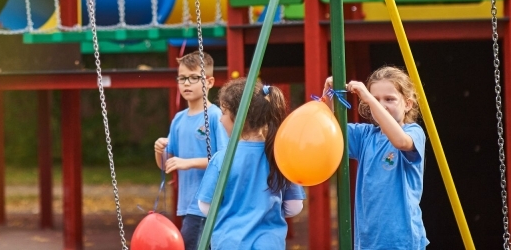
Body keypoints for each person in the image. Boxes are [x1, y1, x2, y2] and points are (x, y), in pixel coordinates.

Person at [323, 66, 428, 249]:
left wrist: (370, 98)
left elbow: (400, 142)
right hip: (368, 241)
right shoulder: (365, 136)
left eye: (389, 99)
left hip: (402, 241)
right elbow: (327, 131)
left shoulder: (413, 132)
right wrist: (328, 95)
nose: (381, 105)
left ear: (408, 104)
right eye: (376, 99)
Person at [196, 78, 305, 249]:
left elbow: (205, 206)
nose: (220, 119)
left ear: (238, 118)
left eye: (224, 112)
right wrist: (267, 211)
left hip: (230, 243)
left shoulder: (221, 159)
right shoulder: (278, 156)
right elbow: (295, 206)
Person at [153, 52, 229, 250]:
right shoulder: (178, 119)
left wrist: (188, 162)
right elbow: (165, 164)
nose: (187, 83)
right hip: (187, 205)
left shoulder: (214, 115)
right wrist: (159, 150)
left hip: (207, 203)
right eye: (182, 78)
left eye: (194, 78)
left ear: (209, 81)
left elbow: (225, 159)